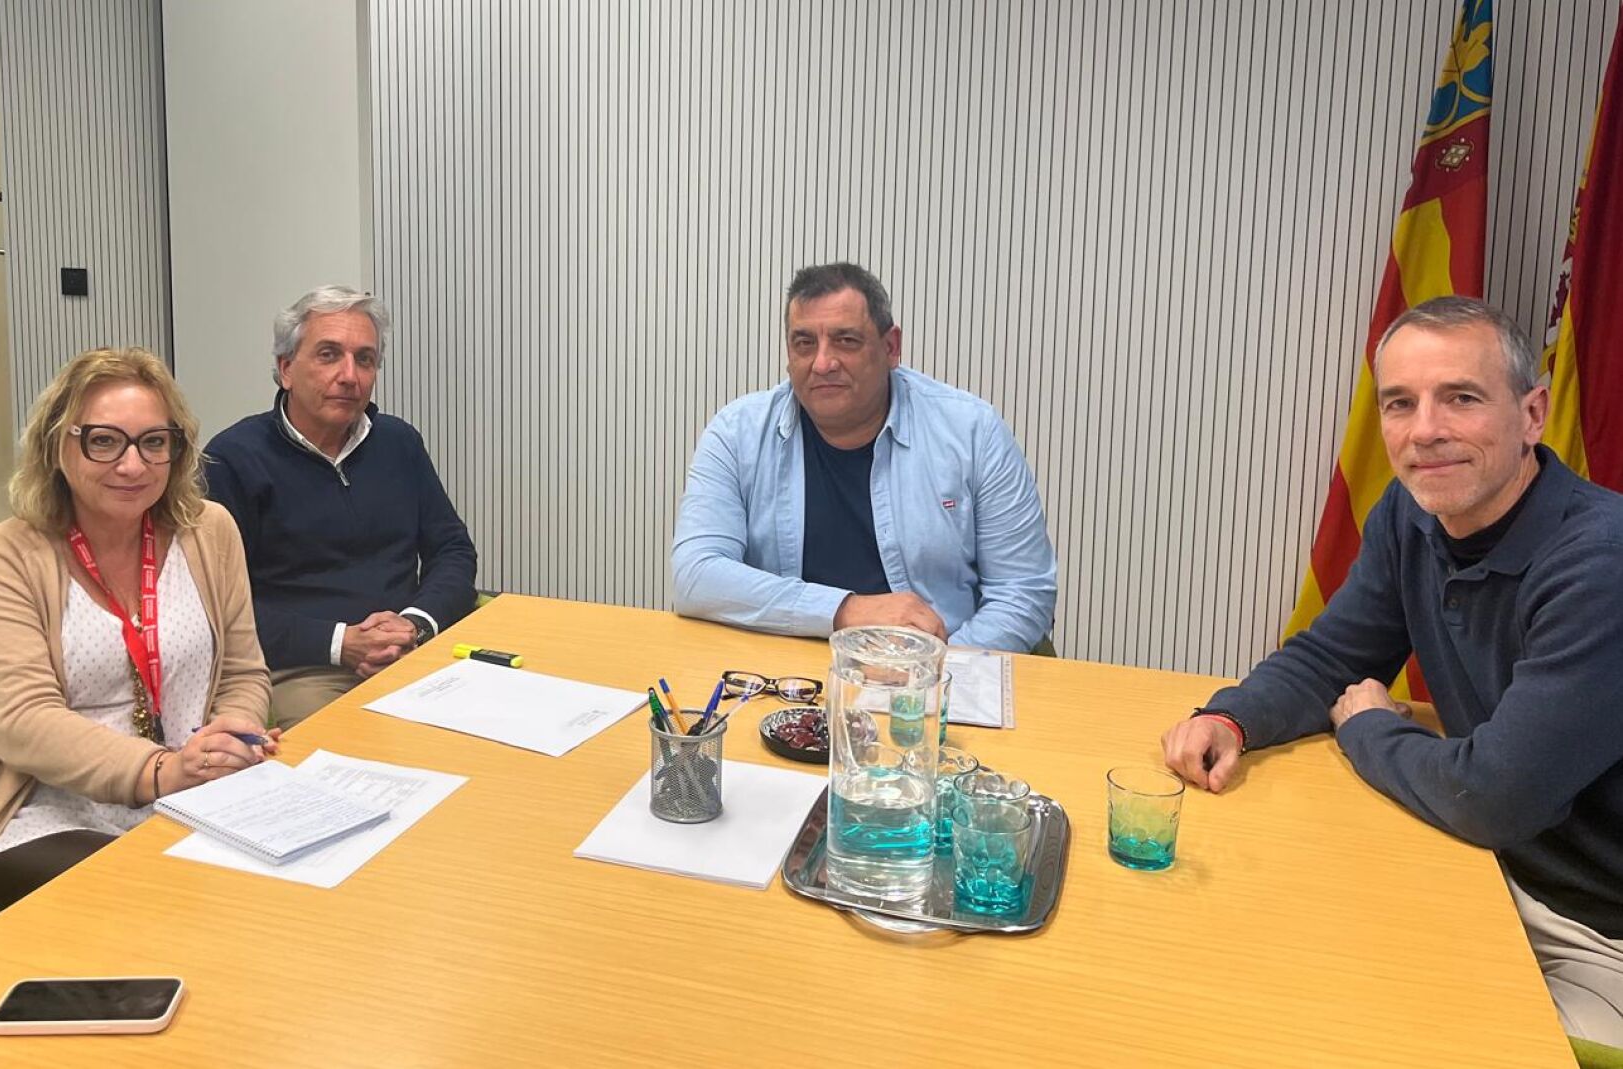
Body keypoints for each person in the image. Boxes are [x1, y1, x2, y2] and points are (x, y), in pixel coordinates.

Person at [1160, 296, 1623, 1046]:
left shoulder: (1601, 562)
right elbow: (1332, 657)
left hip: (1595, 926)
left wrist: (1369, 727)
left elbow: (1493, 798)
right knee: (1259, 963)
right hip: (1481, 868)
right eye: (1400, 403)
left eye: (1461, 398)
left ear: (1532, 414)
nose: (1424, 431)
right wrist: (1231, 717)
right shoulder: (1412, 514)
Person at [0, 348, 274, 952]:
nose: (132, 465)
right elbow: (25, 725)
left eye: (154, 443)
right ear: (58, 445)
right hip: (32, 810)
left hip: (189, 791)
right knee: (153, 903)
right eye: (104, 441)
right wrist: (162, 770)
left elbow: (242, 671)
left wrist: (235, 733)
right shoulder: (5, 557)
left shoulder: (210, 531)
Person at [671, 262, 1056, 650]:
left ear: (891, 347)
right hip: (789, 671)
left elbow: (1023, 592)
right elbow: (695, 574)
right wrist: (845, 610)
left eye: (846, 341)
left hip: (945, 667)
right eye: (804, 343)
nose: (823, 363)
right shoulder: (737, 434)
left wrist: (929, 672)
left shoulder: (973, 431)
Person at [205, 286, 477, 730]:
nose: (349, 375)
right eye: (329, 355)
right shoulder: (234, 459)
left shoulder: (399, 443)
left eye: (364, 359)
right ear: (286, 369)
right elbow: (218, 605)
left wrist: (415, 624)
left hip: (409, 650)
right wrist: (340, 642)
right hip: (307, 666)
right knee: (356, 750)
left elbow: (453, 550)